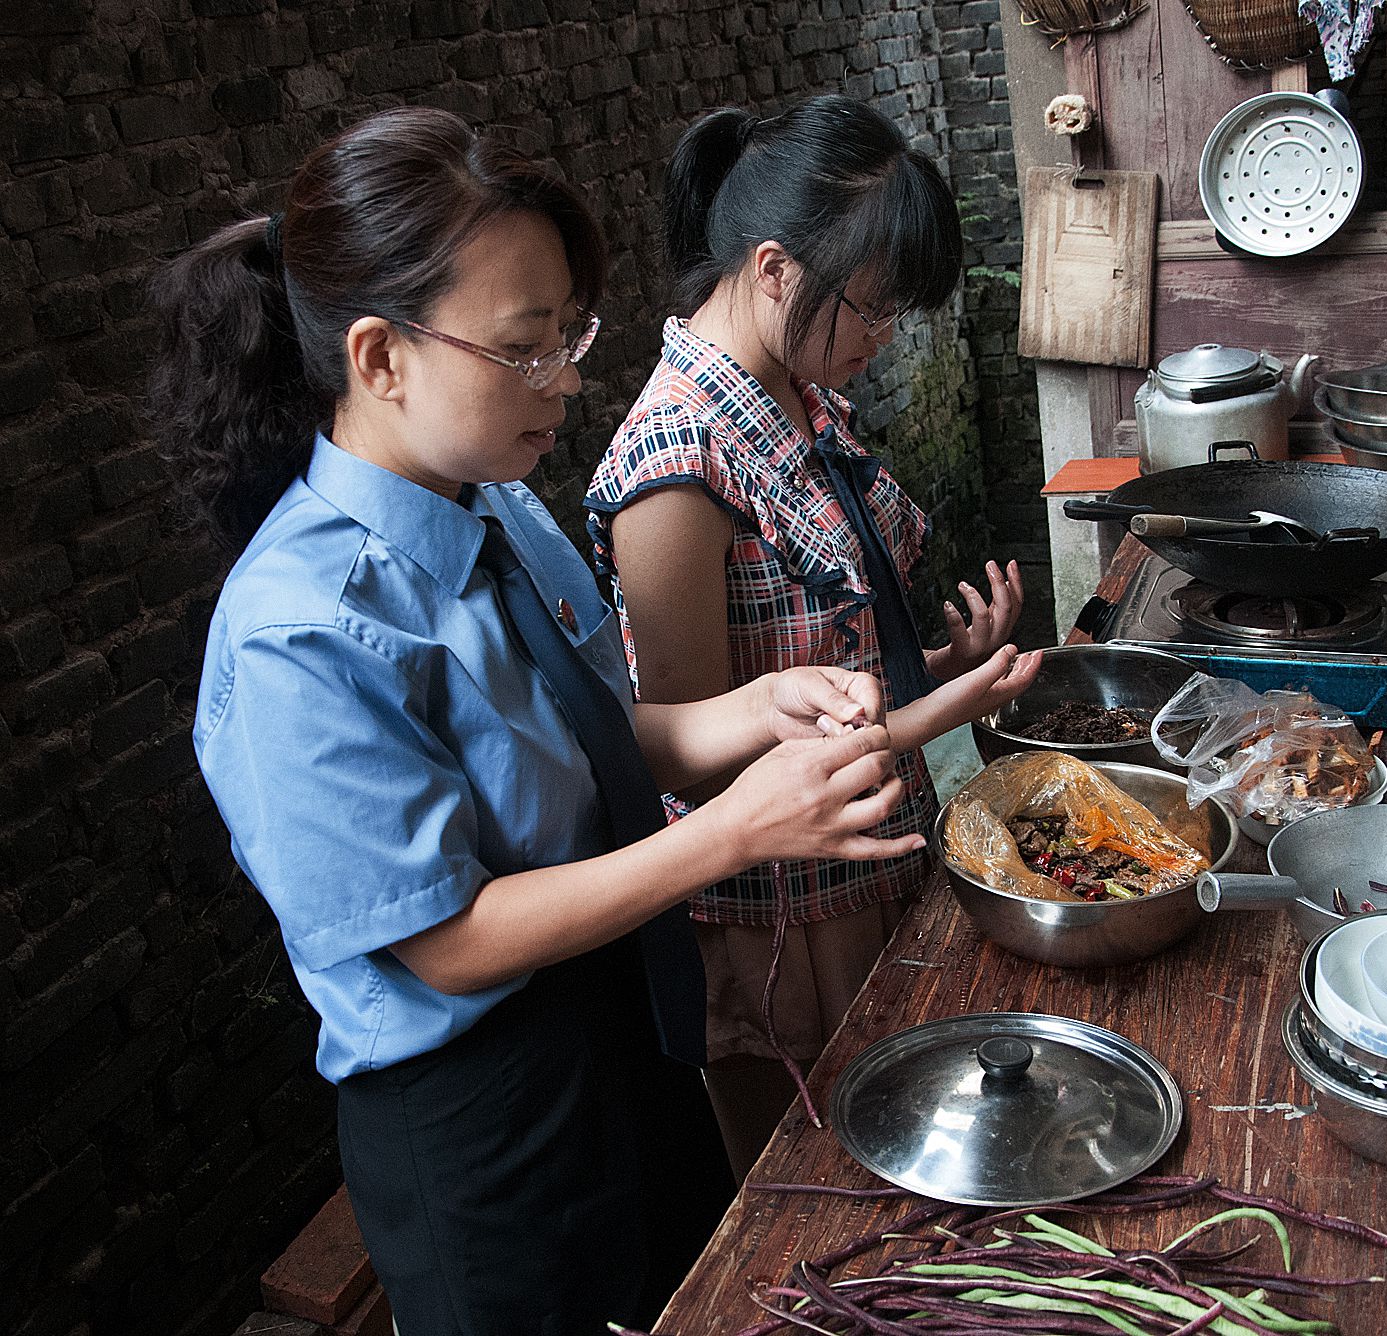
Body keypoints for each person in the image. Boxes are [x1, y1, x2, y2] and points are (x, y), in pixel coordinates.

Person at [148, 106, 971, 1334]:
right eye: (527, 347)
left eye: (569, 335)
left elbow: (595, 732)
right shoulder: (300, 628)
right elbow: (446, 942)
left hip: (620, 1021)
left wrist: (752, 710)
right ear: (380, 358)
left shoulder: (501, 512)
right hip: (486, 1116)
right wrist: (731, 834)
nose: (572, 380)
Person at [585, 95, 1040, 1179]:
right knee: (828, 1188)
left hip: (873, 854)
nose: (883, 342)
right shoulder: (675, 462)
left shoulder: (791, 391)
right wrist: (944, 711)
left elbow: (807, 671)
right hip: (784, 914)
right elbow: (699, 755)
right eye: (873, 311)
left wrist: (936, 665)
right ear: (776, 268)